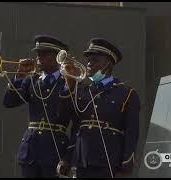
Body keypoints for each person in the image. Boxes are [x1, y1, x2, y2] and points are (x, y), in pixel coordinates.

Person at [58, 38, 141, 178]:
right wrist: (69, 81)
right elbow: (69, 120)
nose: (89, 64)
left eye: (95, 60)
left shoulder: (126, 93)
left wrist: (126, 166)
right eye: (88, 60)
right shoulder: (82, 90)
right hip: (82, 161)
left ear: (108, 64)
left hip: (108, 162)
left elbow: (132, 133)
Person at [3, 35, 75, 178]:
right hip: (30, 151)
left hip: (55, 151)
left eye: (44, 53)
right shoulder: (31, 80)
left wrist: (68, 156)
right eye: (37, 53)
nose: (38, 57)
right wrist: (19, 76)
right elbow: (9, 102)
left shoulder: (69, 82)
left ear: (57, 57)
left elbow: (77, 123)